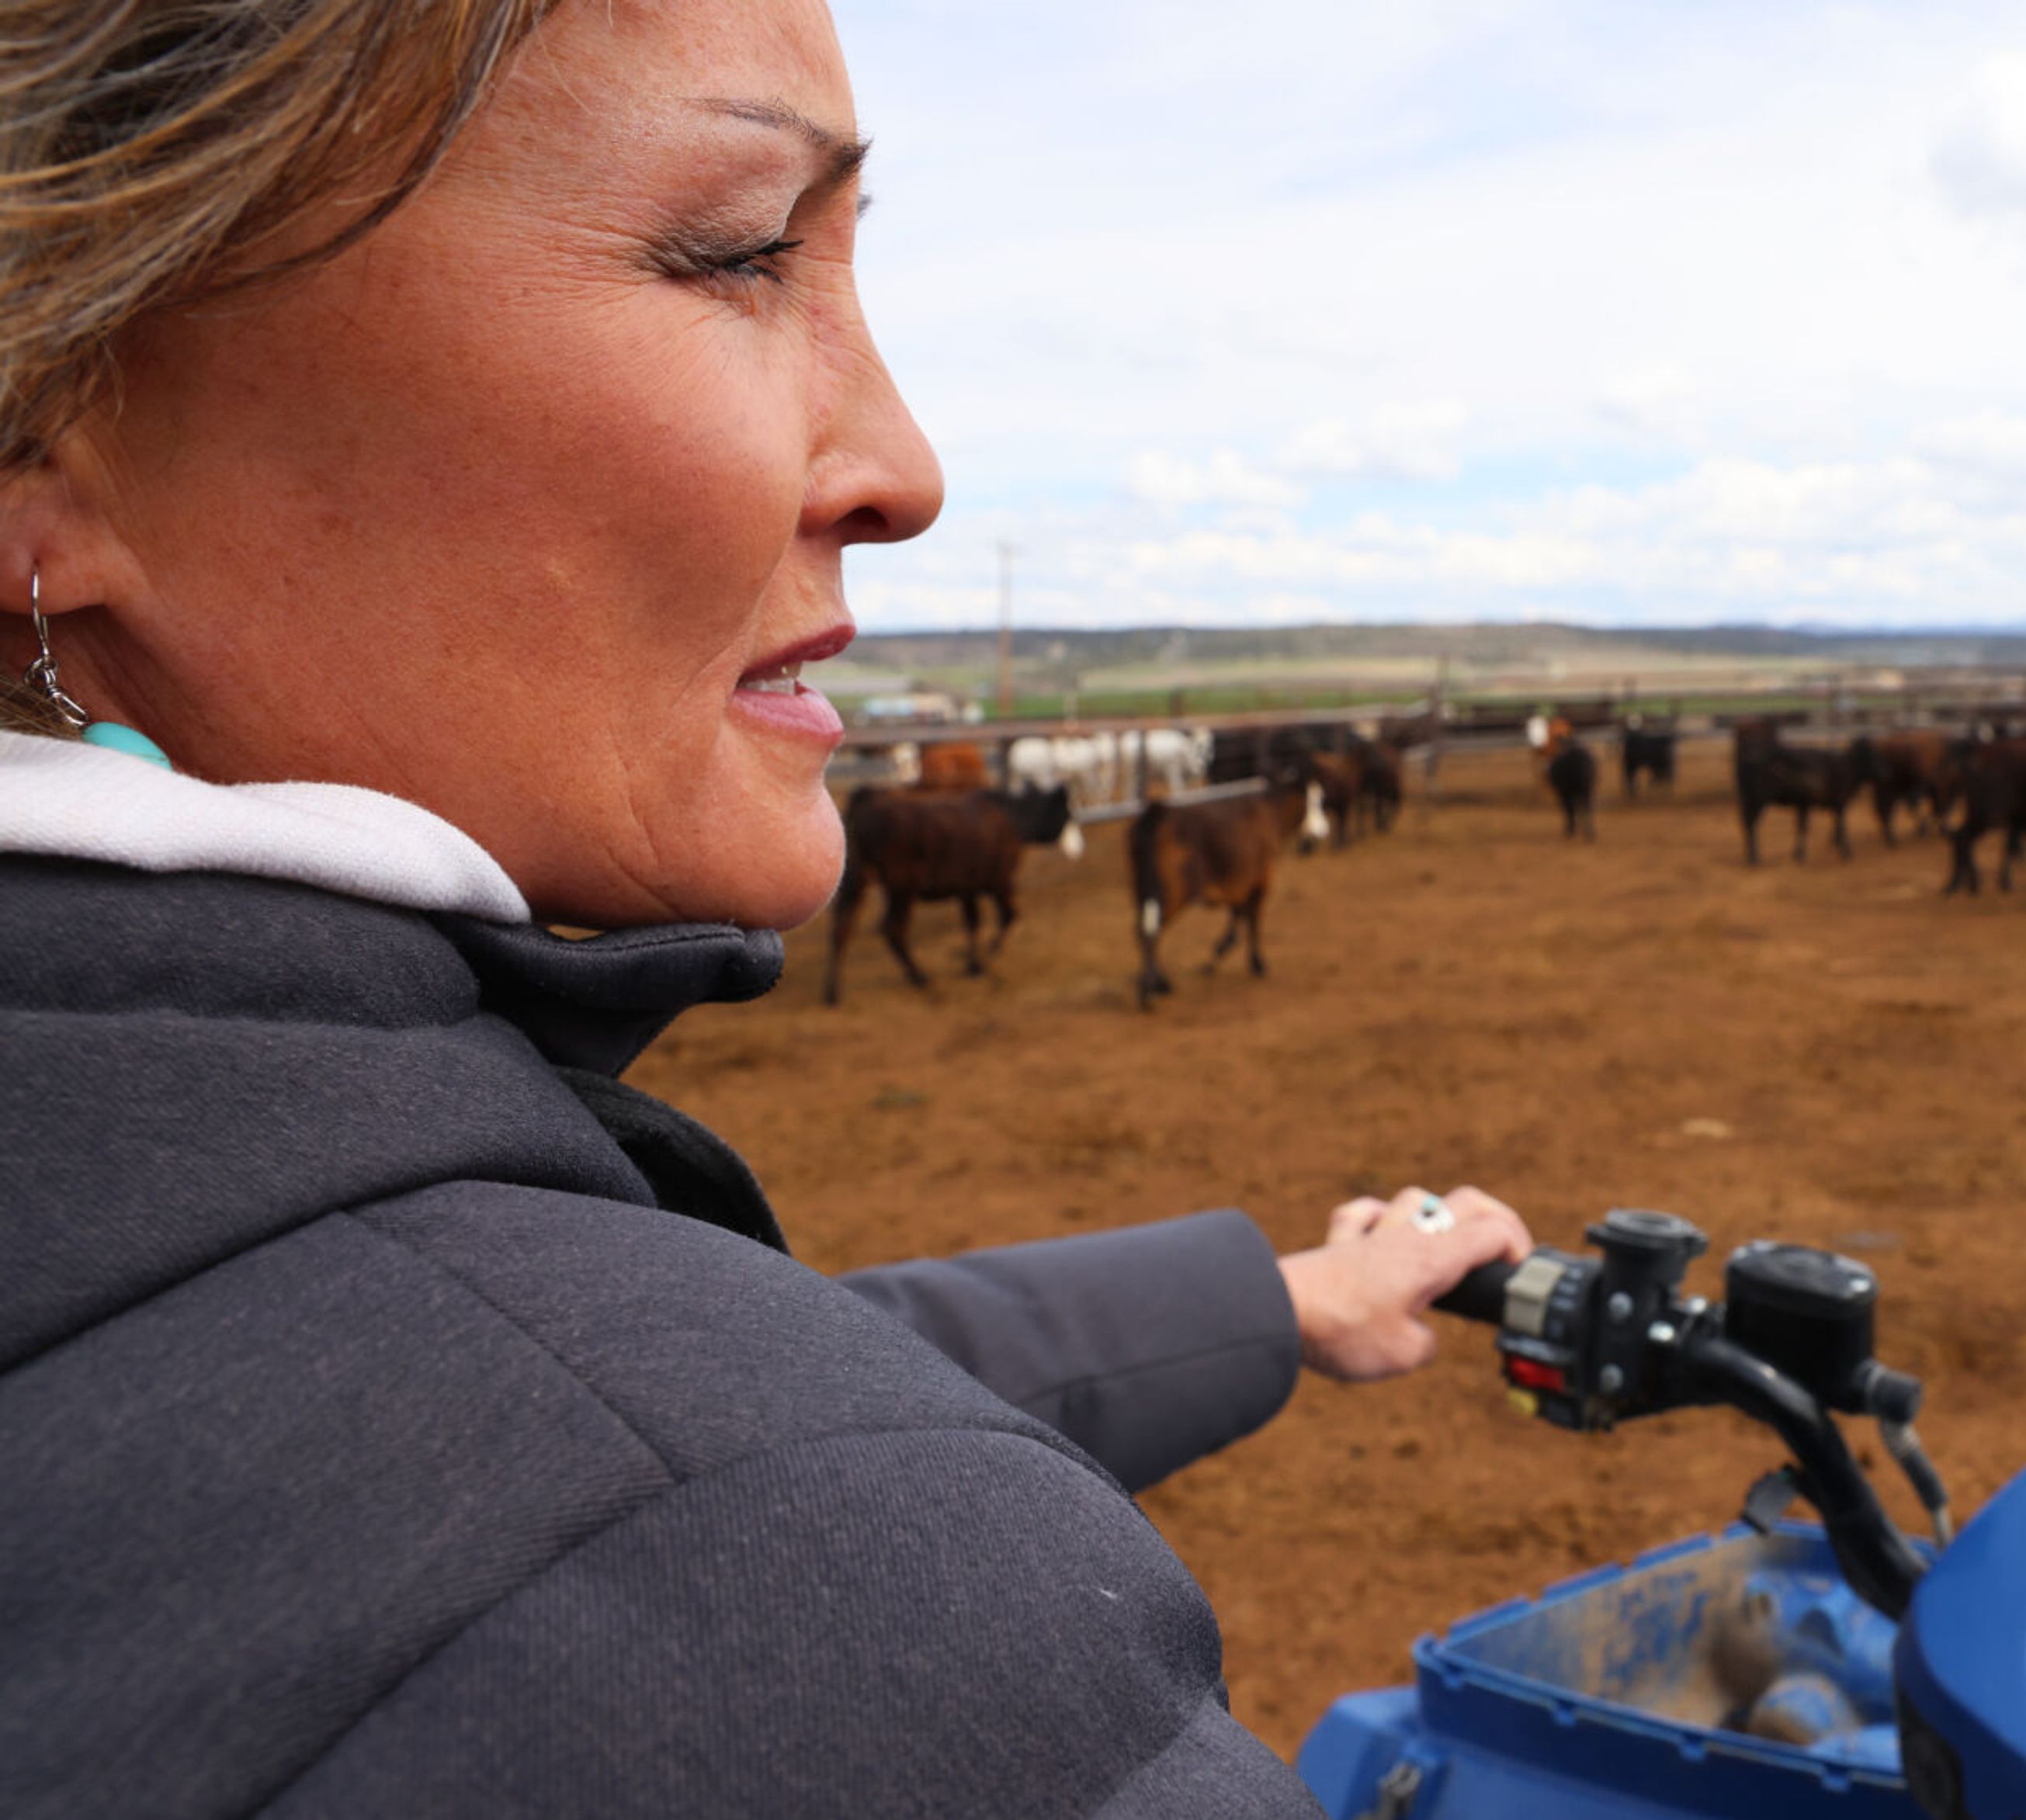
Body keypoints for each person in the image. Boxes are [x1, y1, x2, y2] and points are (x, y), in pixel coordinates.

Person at [0, 4, 1530, 1814]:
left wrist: (1272, 1303)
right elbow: (634, 1440)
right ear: (52, 418)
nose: (908, 466)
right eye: (737, 253)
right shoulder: (859, 1654)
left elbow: (474, 1397)